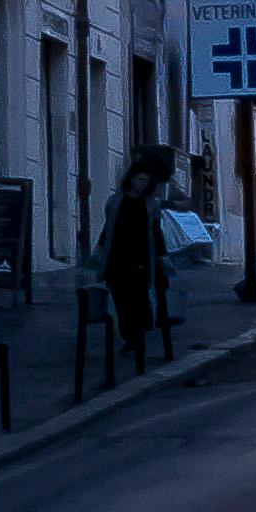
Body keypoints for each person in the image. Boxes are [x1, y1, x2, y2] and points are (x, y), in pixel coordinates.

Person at [99, 145, 171, 373]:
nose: (142, 184)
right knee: (120, 298)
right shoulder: (115, 201)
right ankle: (130, 334)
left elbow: (156, 232)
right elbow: (108, 227)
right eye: (140, 179)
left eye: (146, 181)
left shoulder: (150, 204)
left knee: (139, 297)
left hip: (141, 257)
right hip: (117, 256)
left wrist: (162, 256)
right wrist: (99, 251)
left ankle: (139, 333)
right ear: (131, 178)